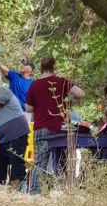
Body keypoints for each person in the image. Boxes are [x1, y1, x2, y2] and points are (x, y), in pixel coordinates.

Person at [25, 54, 85, 194]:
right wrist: (67, 97)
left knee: (39, 163)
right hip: (59, 129)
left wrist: (39, 104)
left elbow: (28, 108)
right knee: (61, 162)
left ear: (40, 67)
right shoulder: (62, 82)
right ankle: (63, 191)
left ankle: (35, 193)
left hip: (41, 128)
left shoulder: (34, 84)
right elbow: (80, 93)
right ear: (54, 66)